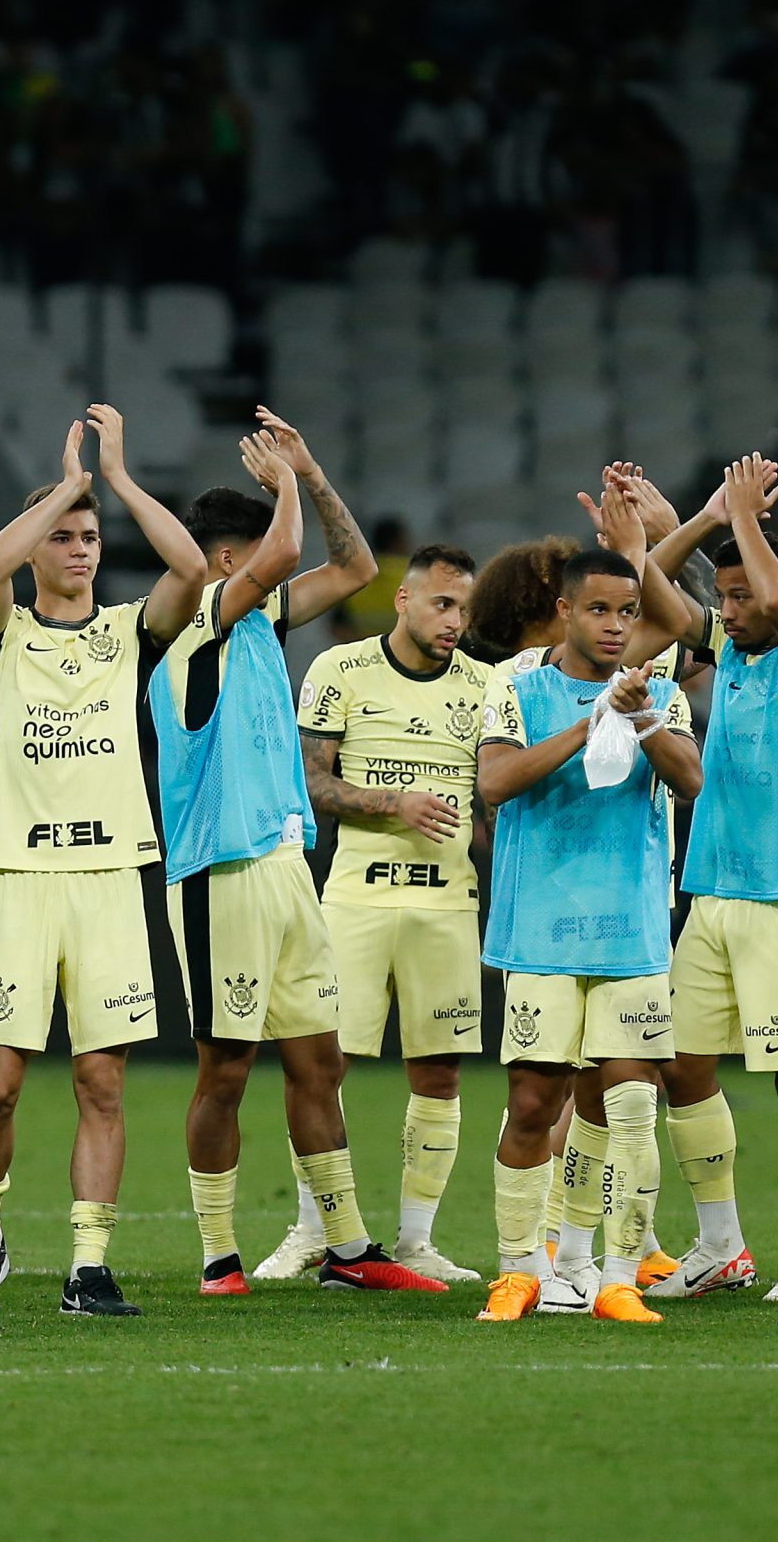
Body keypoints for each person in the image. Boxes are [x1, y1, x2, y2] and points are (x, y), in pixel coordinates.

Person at [157, 426, 436, 1299]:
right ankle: (217, 1255)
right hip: (218, 871)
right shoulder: (193, 632)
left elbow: (353, 570)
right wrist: (288, 482)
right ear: (228, 561)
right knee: (226, 1068)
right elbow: (288, 550)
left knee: (320, 1062)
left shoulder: (260, 622)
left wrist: (313, 474)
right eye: (257, 562)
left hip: (283, 862)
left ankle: (349, 1249)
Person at [0, 403, 206, 1318]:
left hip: (108, 877)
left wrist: (120, 480)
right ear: (35, 547)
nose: (80, 547)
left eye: (89, 535)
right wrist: (64, 483)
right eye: (62, 534)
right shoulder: (4, 629)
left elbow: (193, 568)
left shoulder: (130, 630)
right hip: (22, 875)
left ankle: (88, 1268)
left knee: (102, 1081)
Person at [639, 456, 778, 1304]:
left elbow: (776, 605)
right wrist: (693, 522)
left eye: (742, 599)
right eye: (722, 600)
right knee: (683, 1068)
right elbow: (647, 583)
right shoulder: (725, 650)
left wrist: (737, 521)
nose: (730, 614)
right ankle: (721, 1244)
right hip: (712, 896)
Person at [474, 546, 701, 1325]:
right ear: (565, 610)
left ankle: (612, 1276)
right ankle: (519, 1270)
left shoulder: (660, 692)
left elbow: (690, 779)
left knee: (630, 1105)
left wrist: (635, 714)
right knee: (534, 1101)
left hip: (629, 930)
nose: (614, 625)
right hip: (538, 926)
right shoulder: (515, 686)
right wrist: (588, 721)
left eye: (627, 611)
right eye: (598, 609)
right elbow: (495, 783)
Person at [295, 543, 493, 1284]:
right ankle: (317, 1231)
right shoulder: (339, 669)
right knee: (323, 1064)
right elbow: (313, 780)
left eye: (465, 610)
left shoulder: (484, 684)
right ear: (402, 600)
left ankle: (416, 1240)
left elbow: (498, 787)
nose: (455, 622)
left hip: (446, 899)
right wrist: (393, 802)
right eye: (443, 604)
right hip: (355, 893)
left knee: (439, 1070)